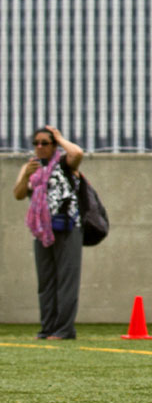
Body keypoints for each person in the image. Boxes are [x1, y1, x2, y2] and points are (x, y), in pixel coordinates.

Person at [13, 126, 84, 340]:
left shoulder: (65, 163)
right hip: (41, 230)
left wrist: (60, 138)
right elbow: (18, 194)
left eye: (45, 143)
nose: (40, 147)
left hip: (68, 228)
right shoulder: (30, 167)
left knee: (66, 280)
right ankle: (47, 328)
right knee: (46, 282)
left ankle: (64, 330)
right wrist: (26, 175)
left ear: (53, 145)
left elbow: (78, 153)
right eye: (36, 143)